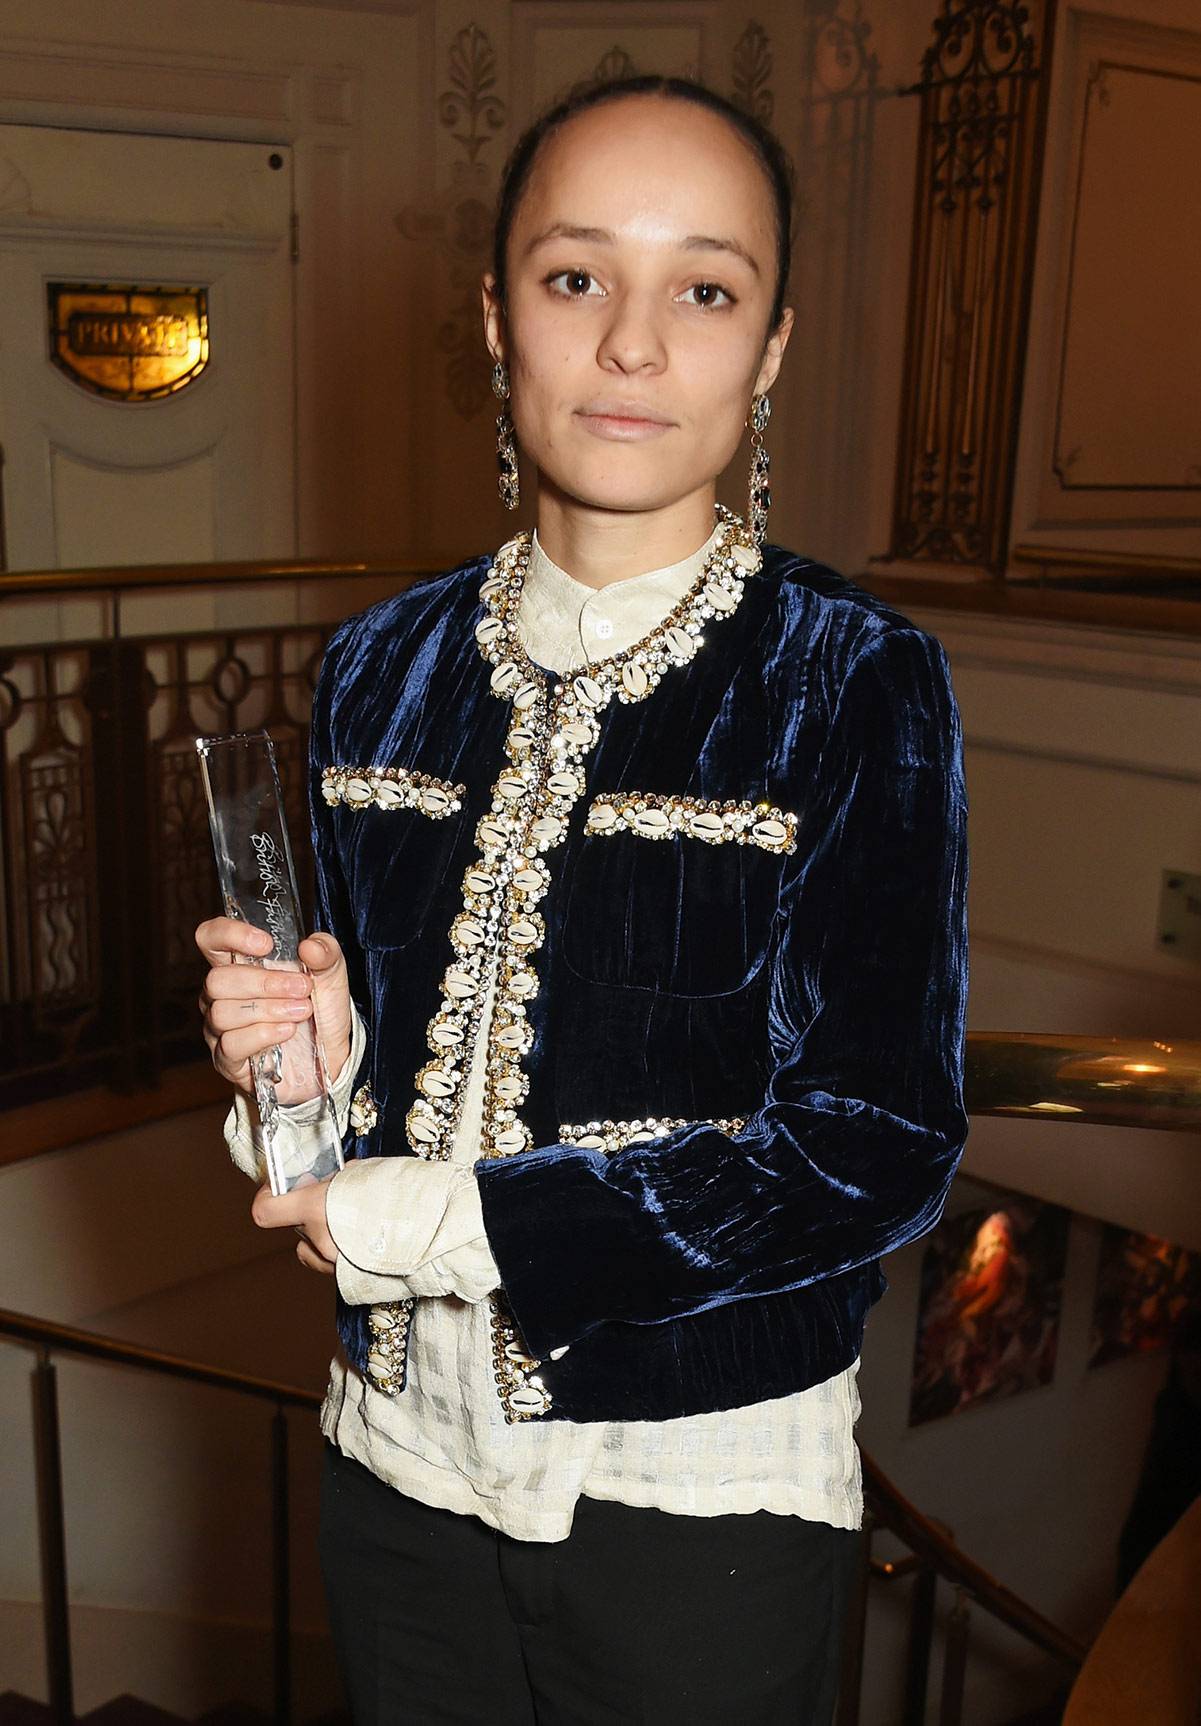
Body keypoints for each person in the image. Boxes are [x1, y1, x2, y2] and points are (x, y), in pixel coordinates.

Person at [195, 74, 969, 1726]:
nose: (633, 344)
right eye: (572, 277)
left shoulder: (850, 680)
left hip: (696, 1503)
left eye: (703, 287)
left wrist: (463, 1221)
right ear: (495, 319)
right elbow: (352, 1118)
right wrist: (308, 1070)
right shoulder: (378, 666)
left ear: (767, 347)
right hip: (394, 1472)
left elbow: (875, 1137)